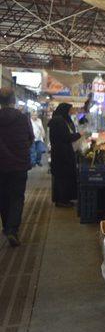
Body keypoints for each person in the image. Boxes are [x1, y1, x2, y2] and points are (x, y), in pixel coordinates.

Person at [0, 88, 34, 247]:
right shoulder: (22, 118)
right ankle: (12, 229)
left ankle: (7, 227)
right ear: (13, 100)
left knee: (3, 197)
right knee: (17, 197)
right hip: (19, 164)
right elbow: (30, 138)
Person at [48, 103, 81, 207]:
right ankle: (63, 200)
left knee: (61, 177)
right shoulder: (59, 121)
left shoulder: (58, 119)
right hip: (62, 154)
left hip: (60, 153)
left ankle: (62, 199)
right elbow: (66, 137)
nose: (71, 112)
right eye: (69, 110)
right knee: (63, 177)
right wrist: (79, 135)